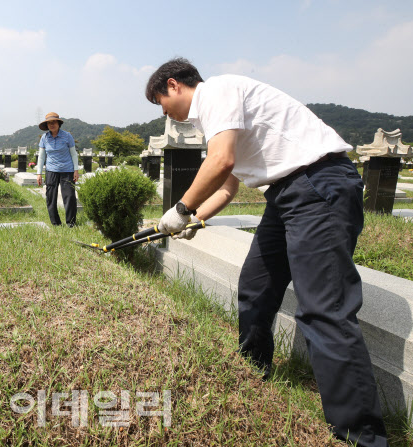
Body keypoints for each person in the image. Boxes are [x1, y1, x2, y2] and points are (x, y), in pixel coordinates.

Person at [148, 58, 388, 446]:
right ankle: (251, 368)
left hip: (316, 184)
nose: (166, 113)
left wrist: (180, 209)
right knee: (257, 284)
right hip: (286, 195)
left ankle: (360, 436)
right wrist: (196, 219)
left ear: (174, 85)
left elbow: (220, 160)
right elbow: (228, 185)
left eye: (161, 103)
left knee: (324, 309)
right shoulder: (220, 117)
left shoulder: (216, 92)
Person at [37, 112, 79, 227]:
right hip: (51, 170)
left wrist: (76, 170)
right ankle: (55, 223)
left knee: (69, 196)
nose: (52, 125)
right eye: (49, 123)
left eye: (54, 122)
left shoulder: (67, 136)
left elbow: (74, 154)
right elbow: (41, 156)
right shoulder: (45, 138)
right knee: (51, 197)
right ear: (47, 125)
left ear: (58, 123)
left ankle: (71, 223)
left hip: (67, 170)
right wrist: (39, 173)